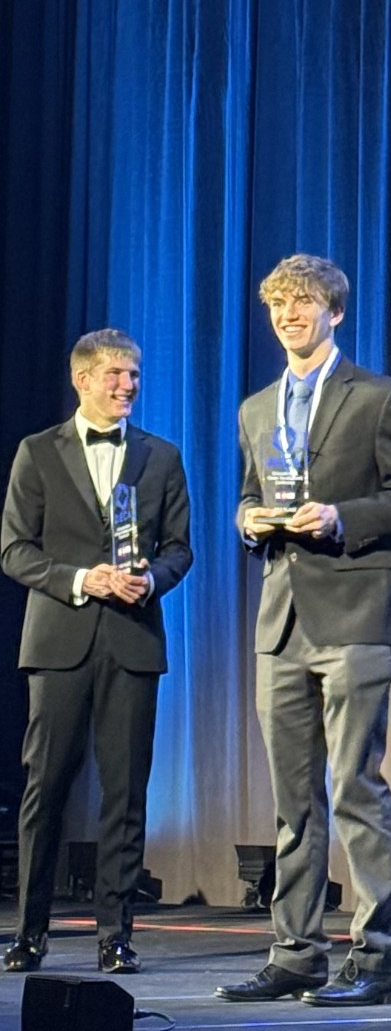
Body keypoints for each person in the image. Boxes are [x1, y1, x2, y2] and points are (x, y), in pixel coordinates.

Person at [217, 254, 391, 1009]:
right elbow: (250, 494)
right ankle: (296, 953)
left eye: (304, 302)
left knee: (354, 788)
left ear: (334, 312)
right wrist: (248, 520)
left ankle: (376, 958)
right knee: (293, 803)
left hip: (356, 615)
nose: (290, 315)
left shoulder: (378, 397)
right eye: (279, 304)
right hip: (281, 621)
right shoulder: (256, 409)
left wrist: (343, 517)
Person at [1, 329, 192, 976]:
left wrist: (151, 580)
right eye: (115, 374)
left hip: (133, 640)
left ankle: (116, 935)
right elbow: (15, 549)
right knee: (46, 789)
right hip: (59, 641)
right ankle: (29, 933)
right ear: (81, 379)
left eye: (133, 374)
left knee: (126, 794)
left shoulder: (162, 456)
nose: (128, 385)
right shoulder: (38, 452)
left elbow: (179, 548)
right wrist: (85, 578)